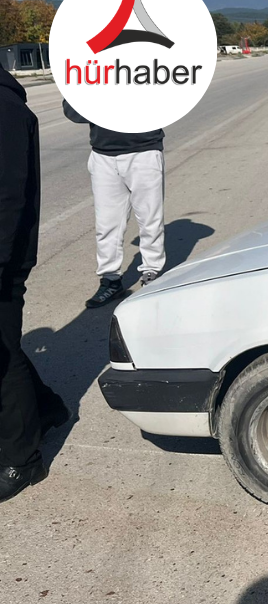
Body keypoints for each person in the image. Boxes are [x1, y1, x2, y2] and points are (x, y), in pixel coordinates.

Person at [1, 63, 68, 503]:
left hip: (3, 259)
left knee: (2, 356)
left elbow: (7, 197)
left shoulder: (5, 109)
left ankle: (21, 461)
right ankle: (45, 407)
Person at [62, 101, 166, 307]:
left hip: (144, 150)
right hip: (103, 154)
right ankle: (110, 280)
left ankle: (151, 273)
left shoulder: (146, 69)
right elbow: (72, 112)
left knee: (150, 218)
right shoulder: (91, 74)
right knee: (106, 224)